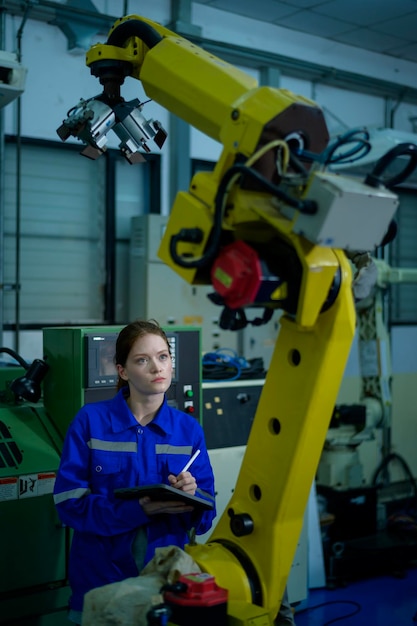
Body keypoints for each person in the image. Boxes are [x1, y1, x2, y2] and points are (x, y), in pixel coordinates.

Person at [53, 319, 216, 624]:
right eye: (143, 360)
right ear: (123, 371)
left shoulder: (188, 430)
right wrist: (139, 510)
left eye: (163, 356)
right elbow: (69, 504)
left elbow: (207, 516)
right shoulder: (91, 422)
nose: (158, 368)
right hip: (101, 584)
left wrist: (194, 495)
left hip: (164, 585)